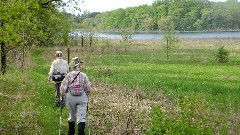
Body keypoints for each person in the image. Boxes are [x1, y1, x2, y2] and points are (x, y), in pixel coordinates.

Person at [60, 57, 92, 135]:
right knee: (81, 118)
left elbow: (62, 88)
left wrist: (62, 97)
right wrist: (87, 95)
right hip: (82, 98)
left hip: (70, 98)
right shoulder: (83, 75)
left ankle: (71, 132)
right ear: (79, 66)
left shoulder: (68, 75)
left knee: (72, 116)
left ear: (73, 66)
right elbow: (88, 88)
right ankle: (81, 132)